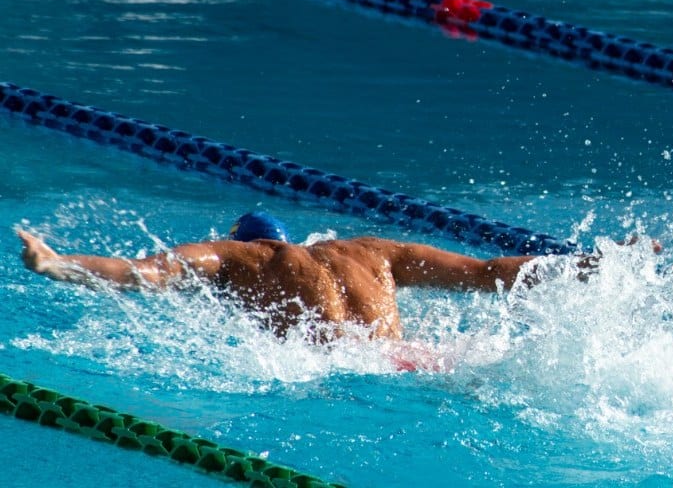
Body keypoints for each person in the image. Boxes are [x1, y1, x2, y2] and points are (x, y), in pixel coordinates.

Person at [17, 212, 600, 342]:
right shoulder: (374, 251)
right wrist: (588, 268)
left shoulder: (237, 261)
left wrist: (55, 262)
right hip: (423, 364)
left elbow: (141, 274)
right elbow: (490, 273)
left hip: (350, 380)